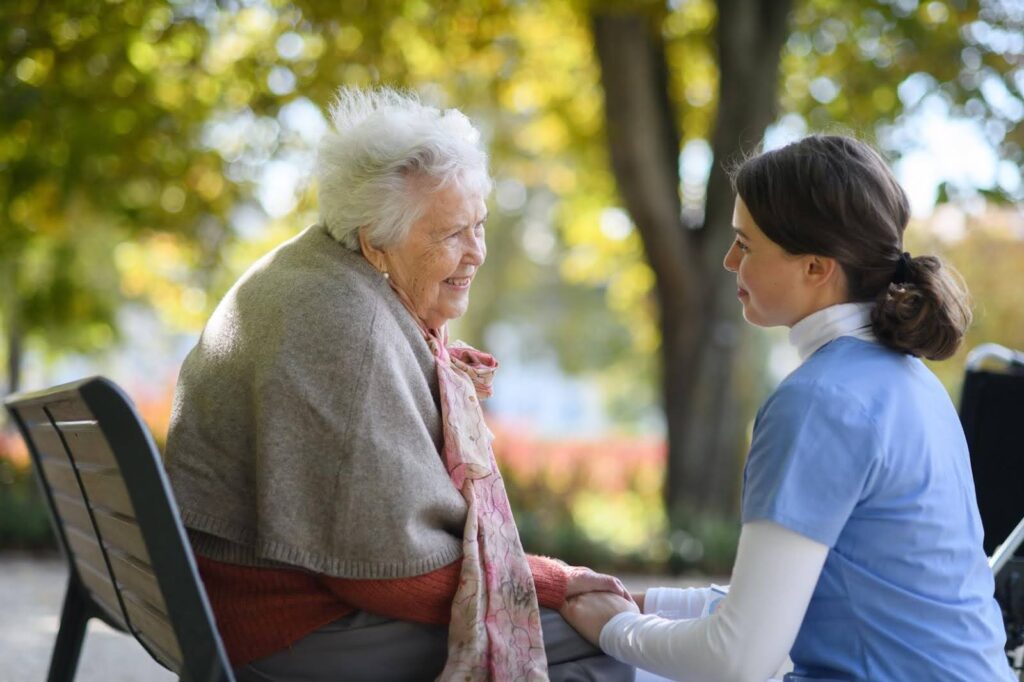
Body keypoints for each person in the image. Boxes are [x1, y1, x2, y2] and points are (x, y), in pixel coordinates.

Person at [165, 86, 635, 682]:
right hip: (290, 629)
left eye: (479, 226)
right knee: (607, 650)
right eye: (449, 236)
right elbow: (386, 572)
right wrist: (551, 583)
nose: (476, 254)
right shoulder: (350, 331)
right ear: (374, 243)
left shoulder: (314, 271)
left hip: (241, 608)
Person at [558, 135, 1015, 682]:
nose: (729, 261)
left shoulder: (818, 400)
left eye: (745, 245)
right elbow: (809, 592)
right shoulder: (912, 382)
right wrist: (639, 600)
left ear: (817, 268)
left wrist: (614, 629)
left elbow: (739, 659)